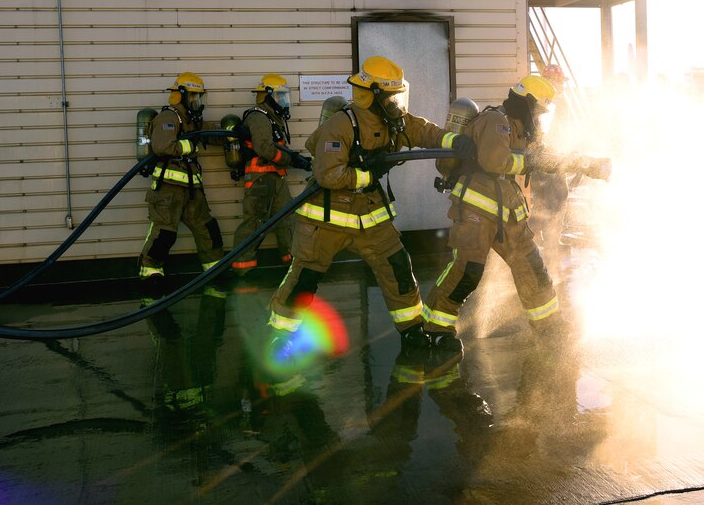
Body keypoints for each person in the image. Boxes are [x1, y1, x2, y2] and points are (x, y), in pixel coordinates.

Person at [265, 56, 476, 354]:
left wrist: (453, 140)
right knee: (305, 277)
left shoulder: (393, 120)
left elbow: (423, 130)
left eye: (397, 96)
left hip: (370, 215)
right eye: (391, 96)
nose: (396, 102)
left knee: (398, 268)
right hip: (326, 217)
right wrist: (368, 174)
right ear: (374, 94)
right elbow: (328, 174)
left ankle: (412, 328)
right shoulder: (340, 126)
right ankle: (280, 334)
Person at [422, 74, 611, 351]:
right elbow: (494, 161)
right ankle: (434, 329)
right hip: (476, 209)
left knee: (532, 269)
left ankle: (550, 327)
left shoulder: (522, 130)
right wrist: (530, 161)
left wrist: (585, 164)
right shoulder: (495, 121)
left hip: (508, 212)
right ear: (526, 103)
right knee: (467, 272)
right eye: (538, 110)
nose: (540, 116)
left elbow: (546, 158)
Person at [138, 72, 225, 287]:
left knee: (207, 228)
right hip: (168, 190)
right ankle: (150, 274)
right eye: (194, 97)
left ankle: (214, 270)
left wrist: (232, 133)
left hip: (192, 190)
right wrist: (190, 146)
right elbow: (163, 146)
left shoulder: (191, 120)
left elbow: (208, 133)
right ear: (182, 95)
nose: (197, 101)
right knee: (164, 234)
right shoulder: (169, 118)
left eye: (199, 97)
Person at [231, 74, 312, 277]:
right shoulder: (258, 117)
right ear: (267, 97)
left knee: (287, 219)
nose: (284, 102)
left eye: (285, 97)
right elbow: (265, 148)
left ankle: (292, 265)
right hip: (260, 180)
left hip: (275, 178)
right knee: (255, 223)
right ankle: (243, 271)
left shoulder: (272, 118)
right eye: (280, 97)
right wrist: (292, 160)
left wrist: (295, 159)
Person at [529, 64, 572, 265]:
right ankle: (533, 243)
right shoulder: (544, 104)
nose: (562, 86)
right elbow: (540, 137)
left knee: (557, 201)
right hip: (545, 165)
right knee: (545, 205)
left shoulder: (558, 104)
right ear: (550, 81)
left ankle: (551, 241)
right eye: (559, 81)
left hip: (556, 162)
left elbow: (565, 132)